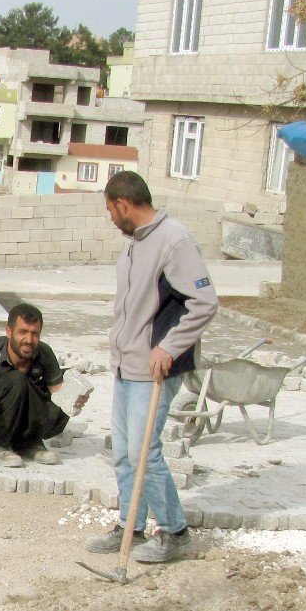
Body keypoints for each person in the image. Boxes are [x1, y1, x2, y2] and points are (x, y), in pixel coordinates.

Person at [85, 171, 218, 563]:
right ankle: (130, 526)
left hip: (154, 368)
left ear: (124, 205)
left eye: (111, 210)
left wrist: (170, 347)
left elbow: (204, 302)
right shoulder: (133, 245)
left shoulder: (174, 241)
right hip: (127, 366)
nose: (110, 218)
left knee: (147, 453)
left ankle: (176, 533)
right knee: (125, 453)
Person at [0, 303, 85, 467]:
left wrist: (74, 399)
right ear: (9, 332)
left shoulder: (43, 353)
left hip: (24, 419)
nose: (29, 340)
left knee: (67, 381)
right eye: (22, 332)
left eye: (34, 334)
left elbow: (57, 392)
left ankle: (30, 443)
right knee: (17, 380)